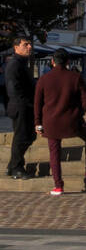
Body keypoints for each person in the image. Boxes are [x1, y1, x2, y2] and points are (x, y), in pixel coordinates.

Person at [34, 48, 86, 195]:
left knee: (54, 152)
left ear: (52, 62)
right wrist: (79, 112)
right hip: (72, 120)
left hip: (50, 121)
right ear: (68, 62)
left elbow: (37, 103)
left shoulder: (43, 79)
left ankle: (58, 185)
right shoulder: (75, 77)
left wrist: (38, 123)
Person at [4, 36, 36, 179]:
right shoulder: (14, 64)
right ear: (16, 47)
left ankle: (13, 165)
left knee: (28, 136)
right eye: (25, 44)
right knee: (22, 137)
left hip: (24, 106)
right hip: (20, 106)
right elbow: (13, 89)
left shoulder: (22, 63)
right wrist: (25, 104)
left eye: (30, 44)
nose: (29, 47)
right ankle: (16, 168)